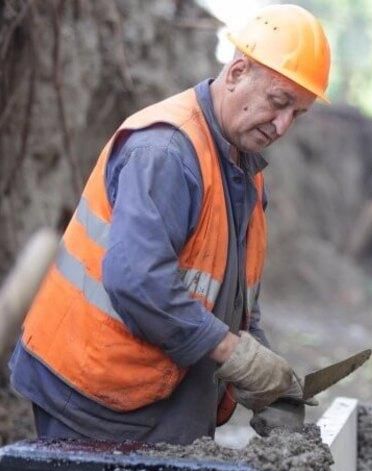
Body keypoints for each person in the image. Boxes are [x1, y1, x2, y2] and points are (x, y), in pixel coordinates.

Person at [7, 4, 331, 444]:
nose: (282, 124)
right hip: (92, 390)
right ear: (236, 73)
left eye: (298, 113)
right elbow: (138, 282)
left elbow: (228, 291)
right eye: (279, 102)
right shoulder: (166, 153)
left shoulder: (244, 168)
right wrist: (233, 354)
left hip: (150, 385)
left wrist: (262, 371)